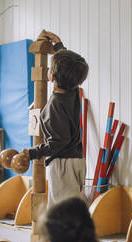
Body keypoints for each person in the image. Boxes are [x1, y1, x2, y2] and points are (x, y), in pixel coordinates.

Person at [22, 31, 89, 207]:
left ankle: (67, 235)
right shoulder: (73, 91)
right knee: (71, 208)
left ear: (51, 77)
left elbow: (58, 141)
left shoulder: (55, 106)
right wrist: (59, 46)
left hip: (62, 165)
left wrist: (32, 153)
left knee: (63, 213)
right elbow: (68, 67)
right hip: (76, 160)